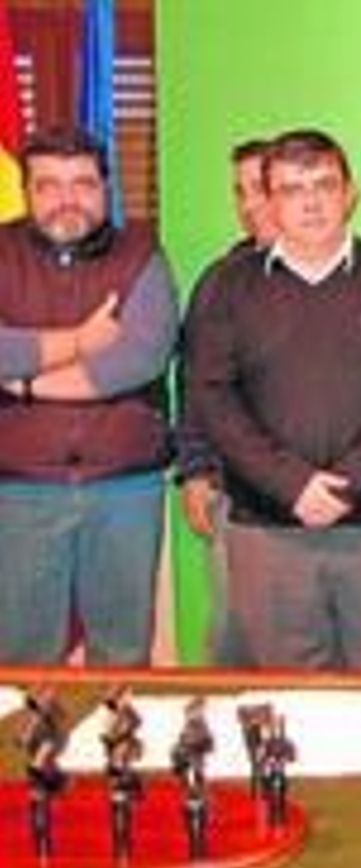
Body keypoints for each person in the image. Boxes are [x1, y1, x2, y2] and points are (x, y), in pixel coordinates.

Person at [185, 128, 361, 671]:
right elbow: (213, 397)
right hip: (270, 531)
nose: (310, 201)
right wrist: (291, 484)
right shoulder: (228, 286)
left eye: (324, 184)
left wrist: (348, 481)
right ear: (269, 202)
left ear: (349, 193)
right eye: (291, 188)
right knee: (290, 704)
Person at [0, 126, 179, 667]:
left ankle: (112, 753)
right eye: (49, 185)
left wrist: (29, 383)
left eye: (82, 183)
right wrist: (79, 341)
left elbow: (140, 356)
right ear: (28, 191)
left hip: (126, 487)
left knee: (123, 653)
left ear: (106, 188)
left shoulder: (142, 254)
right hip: (20, 489)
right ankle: (24, 756)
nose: (66, 199)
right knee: (21, 655)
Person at [175, 137, 279, 666]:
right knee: (236, 638)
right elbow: (194, 383)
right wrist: (194, 470)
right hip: (234, 497)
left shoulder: (358, 277)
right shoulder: (218, 283)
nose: (249, 205)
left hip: (324, 505)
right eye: (239, 192)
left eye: (260, 189)